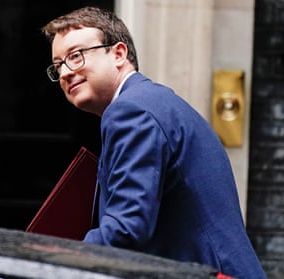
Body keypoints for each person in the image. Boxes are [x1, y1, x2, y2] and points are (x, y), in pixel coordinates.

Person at [41, 6, 267, 279]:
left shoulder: (131, 111)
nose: (65, 72)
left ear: (119, 54)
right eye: (58, 65)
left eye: (76, 56)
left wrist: (54, 261)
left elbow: (127, 226)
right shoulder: (151, 102)